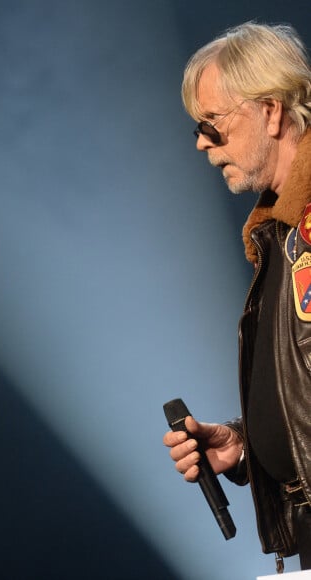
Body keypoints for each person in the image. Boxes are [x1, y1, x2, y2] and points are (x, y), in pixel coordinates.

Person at [162, 21, 311, 573]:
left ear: (270, 111)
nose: (201, 141)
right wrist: (246, 446)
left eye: (211, 123)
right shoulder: (280, 234)